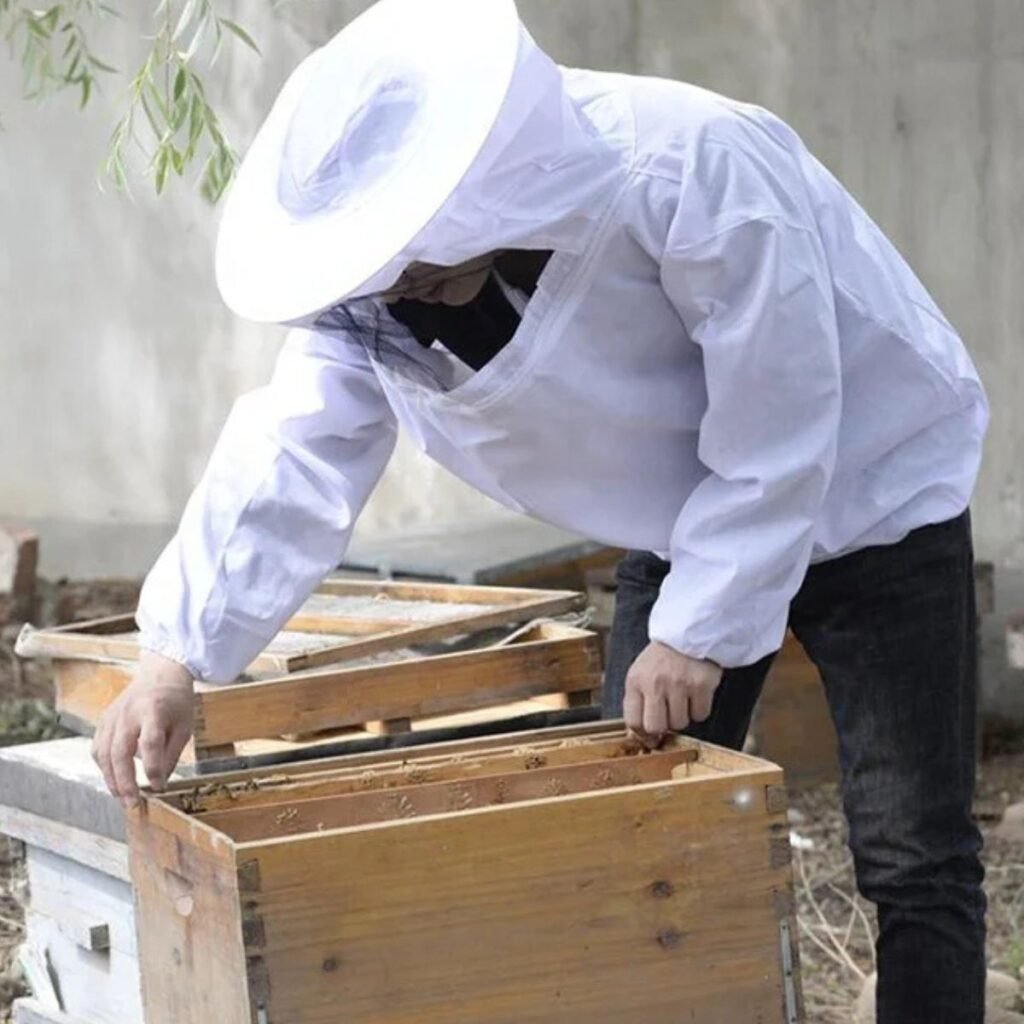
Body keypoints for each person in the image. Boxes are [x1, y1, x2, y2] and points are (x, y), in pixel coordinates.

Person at [91, 0, 989, 1019]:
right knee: (622, 833)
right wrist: (175, 656)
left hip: (878, 492)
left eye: (424, 268)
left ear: (481, 185)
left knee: (912, 848)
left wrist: (697, 630)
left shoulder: (695, 163)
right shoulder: (383, 295)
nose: (413, 296)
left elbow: (781, 408)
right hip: (684, 517)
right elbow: (290, 450)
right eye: (394, 275)